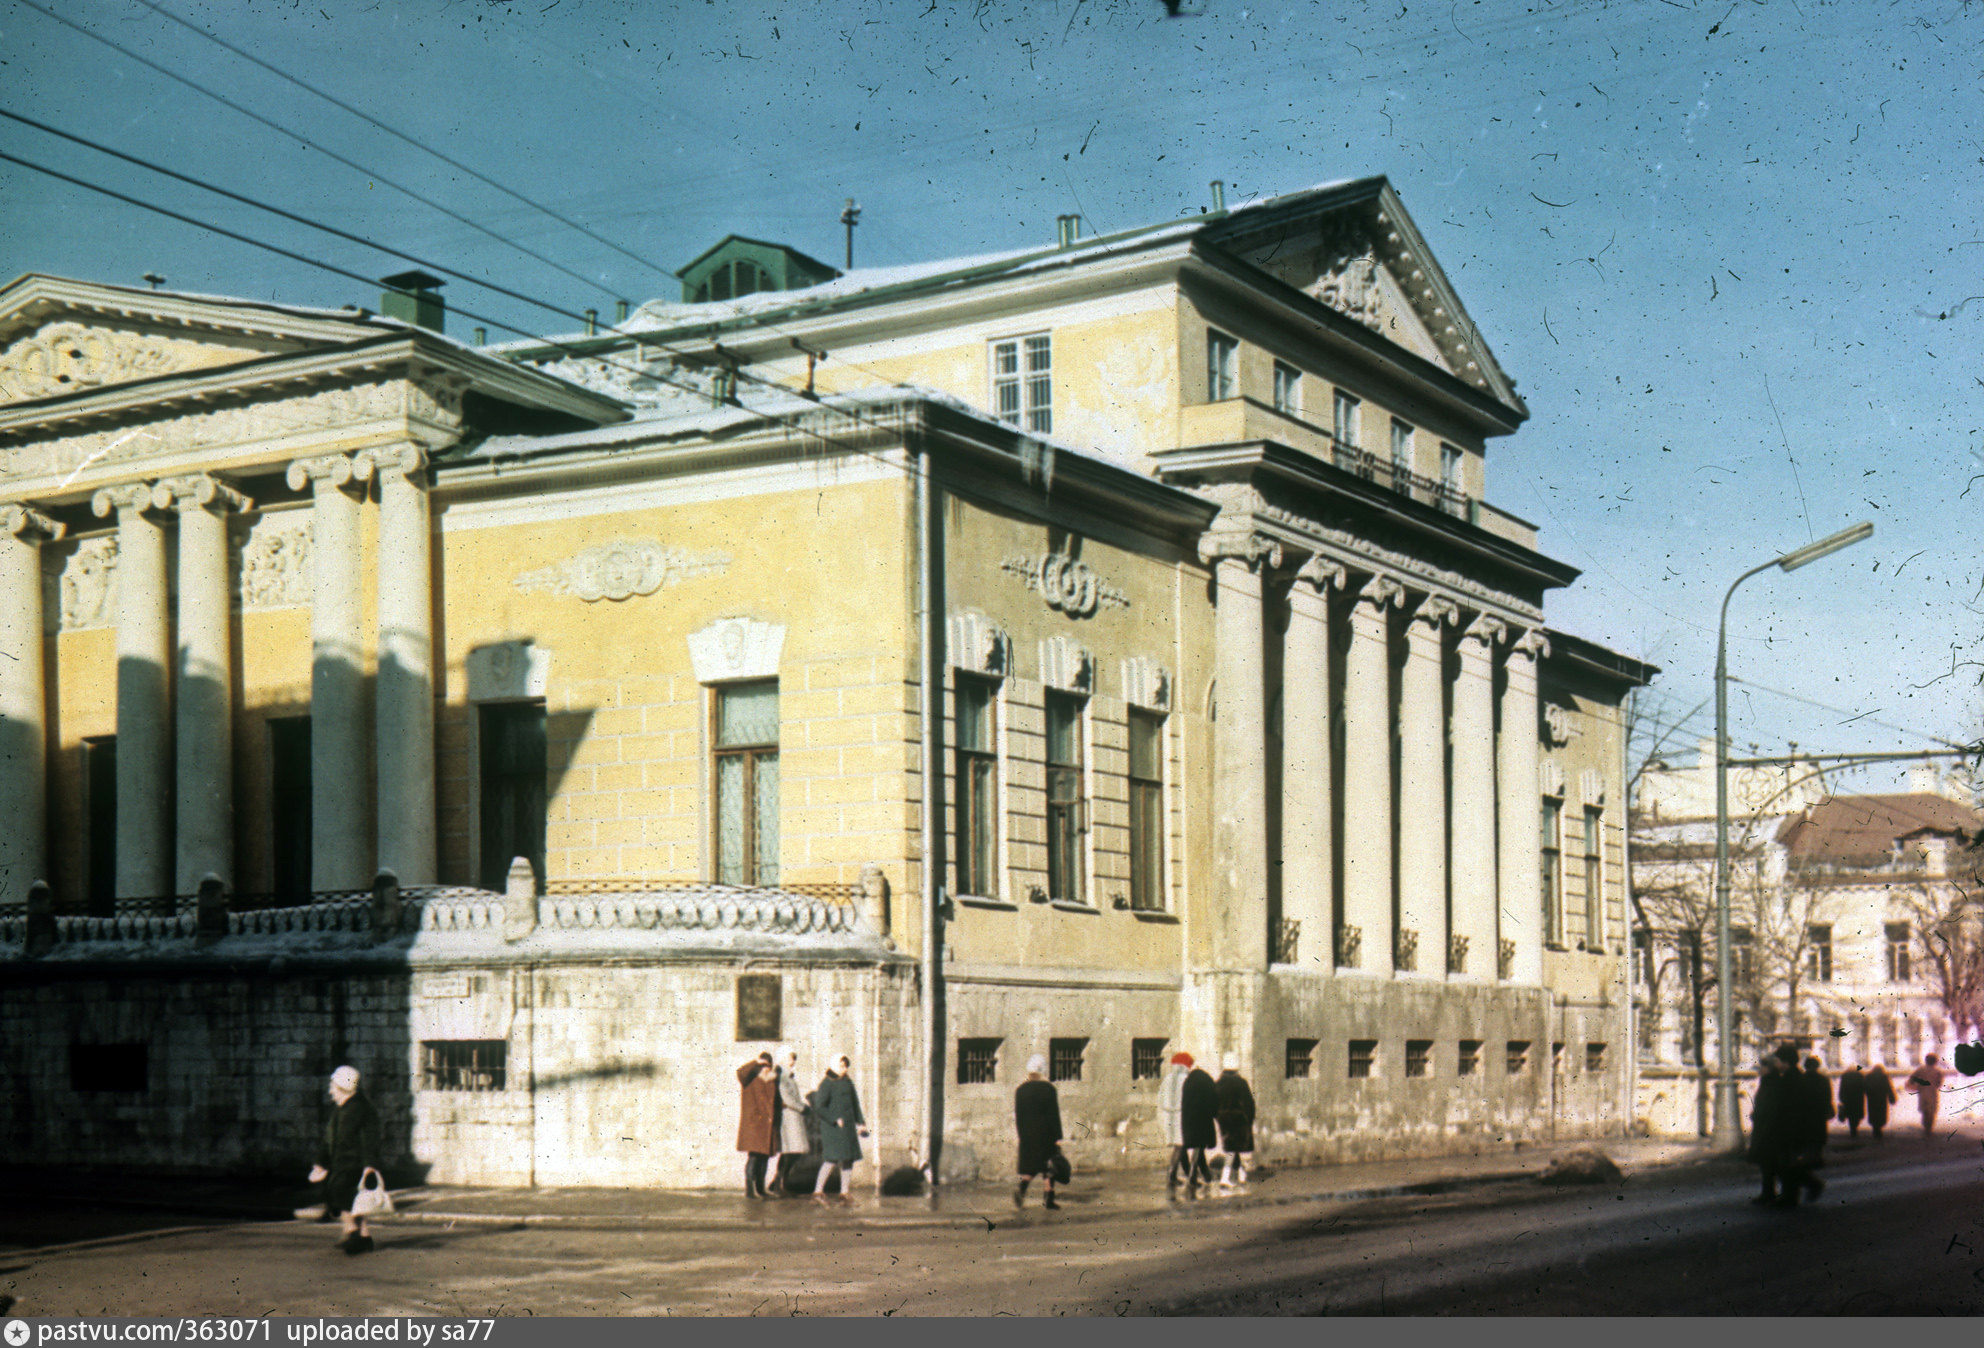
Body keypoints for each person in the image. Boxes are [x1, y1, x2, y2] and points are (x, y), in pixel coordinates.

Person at [307, 1065, 382, 1254]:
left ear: (342, 1088)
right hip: (340, 1162)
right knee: (353, 1199)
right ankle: (364, 1236)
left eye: (333, 1086)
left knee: (340, 1192)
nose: (330, 1091)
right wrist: (320, 1162)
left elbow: (370, 1139)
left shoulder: (362, 1109)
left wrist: (370, 1165)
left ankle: (352, 1232)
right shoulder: (341, 1110)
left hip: (354, 1164)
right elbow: (329, 1139)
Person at [811, 1054, 867, 1205]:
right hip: (833, 1129)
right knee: (831, 1159)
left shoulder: (848, 1082)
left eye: (846, 1065)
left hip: (848, 1127)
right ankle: (817, 1191)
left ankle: (844, 1192)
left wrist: (861, 1122)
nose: (845, 1069)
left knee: (848, 1159)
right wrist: (834, 1118)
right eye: (842, 1066)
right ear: (835, 1065)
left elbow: (855, 1104)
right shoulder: (827, 1083)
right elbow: (819, 1107)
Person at [1013, 1054, 1064, 1210]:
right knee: (1049, 1167)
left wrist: (1021, 1135)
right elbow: (1053, 1114)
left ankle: (1022, 1188)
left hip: (1027, 1136)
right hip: (1045, 1135)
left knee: (1031, 1166)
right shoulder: (1048, 1089)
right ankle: (1049, 1199)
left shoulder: (1020, 1091)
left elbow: (1018, 1116)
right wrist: (1057, 1136)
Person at [1747, 1048, 1793, 1208]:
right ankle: (1769, 1192)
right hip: (1765, 1128)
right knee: (1767, 1163)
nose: (1760, 1070)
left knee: (1773, 1163)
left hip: (1771, 1130)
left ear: (1768, 1069)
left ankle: (1783, 1193)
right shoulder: (1768, 1082)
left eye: (1763, 1067)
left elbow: (1771, 1107)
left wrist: (1759, 1115)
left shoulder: (1773, 1083)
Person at [736, 1051, 779, 1199]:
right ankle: (750, 1190)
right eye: (763, 1065)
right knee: (753, 1158)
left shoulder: (773, 1080)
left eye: (769, 1065)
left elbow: (777, 1103)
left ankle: (761, 1189)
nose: (766, 1068)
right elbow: (741, 1073)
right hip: (755, 1126)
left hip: (768, 1126)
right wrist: (755, 1062)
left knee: (764, 1159)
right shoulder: (750, 1078)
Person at [1213, 1053, 1257, 1189]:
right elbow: (1249, 1103)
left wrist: (1219, 1116)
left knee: (1233, 1147)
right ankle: (1224, 1179)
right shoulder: (1241, 1082)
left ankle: (1242, 1175)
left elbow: (1213, 1103)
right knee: (1233, 1149)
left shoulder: (1219, 1083)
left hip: (1224, 1120)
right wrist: (1248, 1119)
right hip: (1239, 1120)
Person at [1179, 1054, 1220, 1198]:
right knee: (1199, 1148)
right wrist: (1215, 1115)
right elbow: (1214, 1099)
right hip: (1202, 1119)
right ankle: (1192, 1177)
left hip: (1188, 1119)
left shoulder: (1187, 1081)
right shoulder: (1206, 1080)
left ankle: (1205, 1176)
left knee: (1192, 1147)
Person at [773, 1048, 810, 1196]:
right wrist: (803, 1108)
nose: (793, 1060)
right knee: (791, 1152)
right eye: (789, 1057)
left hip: (793, 1117)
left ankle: (780, 1183)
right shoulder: (782, 1076)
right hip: (789, 1118)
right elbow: (787, 1098)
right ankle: (779, 1183)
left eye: (793, 1057)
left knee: (792, 1152)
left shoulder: (788, 1075)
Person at [1158, 1052, 1193, 1195]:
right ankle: (1171, 1176)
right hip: (1181, 1116)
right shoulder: (1186, 1079)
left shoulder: (1167, 1079)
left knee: (1180, 1146)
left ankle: (1185, 1174)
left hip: (1168, 1117)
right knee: (1180, 1147)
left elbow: (1161, 1098)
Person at [1906, 1054, 1947, 1134]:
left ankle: (1926, 1127)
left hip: (1922, 1093)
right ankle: (1929, 1128)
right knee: (1931, 1111)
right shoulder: (1938, 1071)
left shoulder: (1920, 1070)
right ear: (1935, 1061)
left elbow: (1912, 1079)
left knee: (1925, 1111)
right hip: (1933, 1094)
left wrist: (1916, 1085)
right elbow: (1939, 1083)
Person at [1863, 1061, 1897, 1140]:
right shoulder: (1884, 1076)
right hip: (1882, 1099)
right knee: (1881, 1114)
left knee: (1873, 1114)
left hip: (1872, 1099)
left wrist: (1867, 1094)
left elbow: (1864, 1087)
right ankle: (1879, 1129)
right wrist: (1892, 1098)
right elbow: (1889, 1088)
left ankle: (1875, 1129)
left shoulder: (1868, 1076)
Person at [1836, 1063, 1867, 1139]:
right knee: (1856, 1116)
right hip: (1858, 1099)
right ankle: (1854, 1128)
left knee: (1851, 1116)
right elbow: (1864, 1087)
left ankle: (1853, 1129)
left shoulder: (1845, 1075)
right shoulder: (1860, 1075)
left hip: (1848, 1099)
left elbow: (1842, 1088)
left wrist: (1841, 1097)